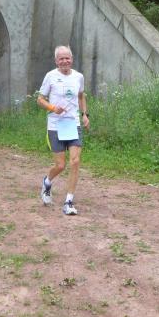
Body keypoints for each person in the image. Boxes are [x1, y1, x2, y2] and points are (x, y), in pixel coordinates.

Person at [37, 46, 90, 216]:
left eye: (67, 58)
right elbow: (40, 99)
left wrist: (85, 114)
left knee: (75, 161)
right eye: (61, 59)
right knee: (60, 165)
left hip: (73, 124)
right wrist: (53, 108)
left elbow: (81, 95)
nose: (65, 61)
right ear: (56, 61)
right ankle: (47, 182)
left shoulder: (78, 77)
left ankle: (68, 202)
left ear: (72, 59)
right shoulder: (50, 76)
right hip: (56, 125)